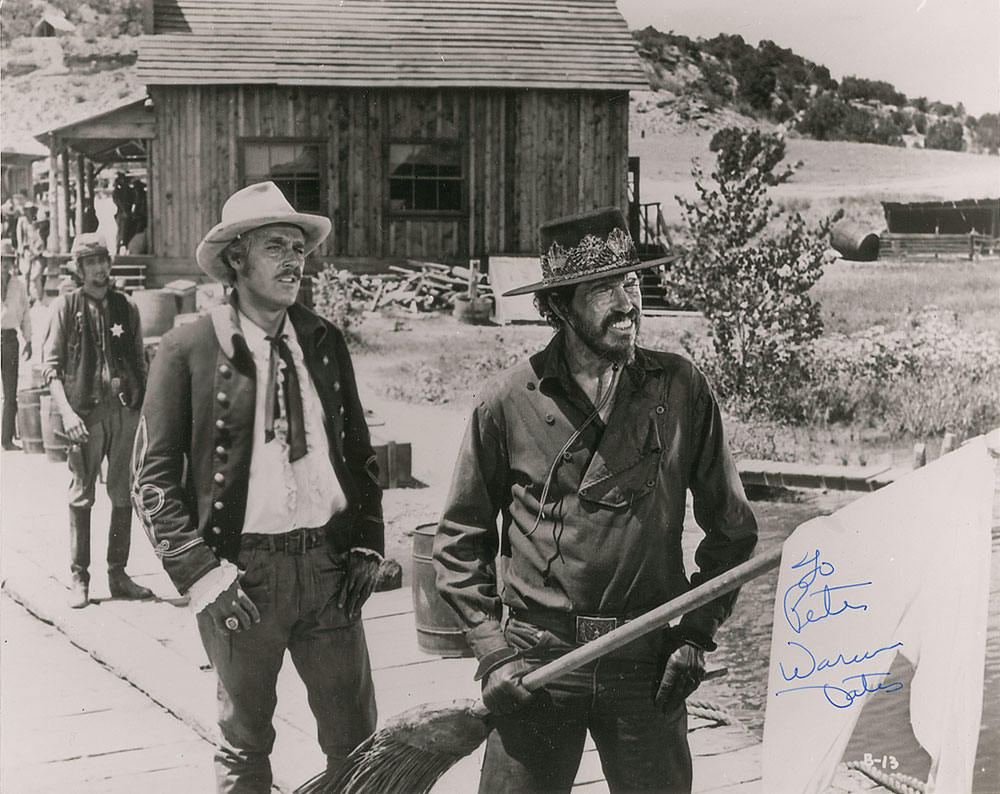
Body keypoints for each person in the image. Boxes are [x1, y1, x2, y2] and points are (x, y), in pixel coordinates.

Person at [434, 207, 759, 794]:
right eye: (604, 289)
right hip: (538, 660)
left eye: (631, 282)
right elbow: (459, 542)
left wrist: (695, 634)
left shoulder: (680, 388)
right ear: (558, 306)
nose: (627, 303)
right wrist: (492, 652)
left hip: (647, 657)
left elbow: (733, 531)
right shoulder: (507, 401)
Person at [130, 181, 384, 793]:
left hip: (329, 570)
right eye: (276, 247)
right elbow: (152, 479)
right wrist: (202, 576)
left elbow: (358, 455)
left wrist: (366, 543)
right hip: (241, 579)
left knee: (357, 743)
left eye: (299, 248)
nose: (294, 261)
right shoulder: (188, 348)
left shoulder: (322, 340)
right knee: (245, 746)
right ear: (236, 259)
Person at [41, 232, 153, 608]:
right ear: (79, 268)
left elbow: (140, 363)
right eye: (91, 262)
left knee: (123, 493)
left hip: (124, 412)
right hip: (84, 416)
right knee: (81, 494)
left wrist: (141, 411)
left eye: (103, 260)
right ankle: (80, 577)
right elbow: (51, 369)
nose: (100, 268)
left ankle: (118, 574)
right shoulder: (66, 307)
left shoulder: (126, 307)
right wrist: (68, 414)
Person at [1, 238, 32, 451]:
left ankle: (6, 439)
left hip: (10, 339)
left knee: (10, 392)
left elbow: (26, 314)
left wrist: (29, 340)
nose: (5, 264)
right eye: (2, 259)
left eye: (9, 260)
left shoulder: (19, 286)